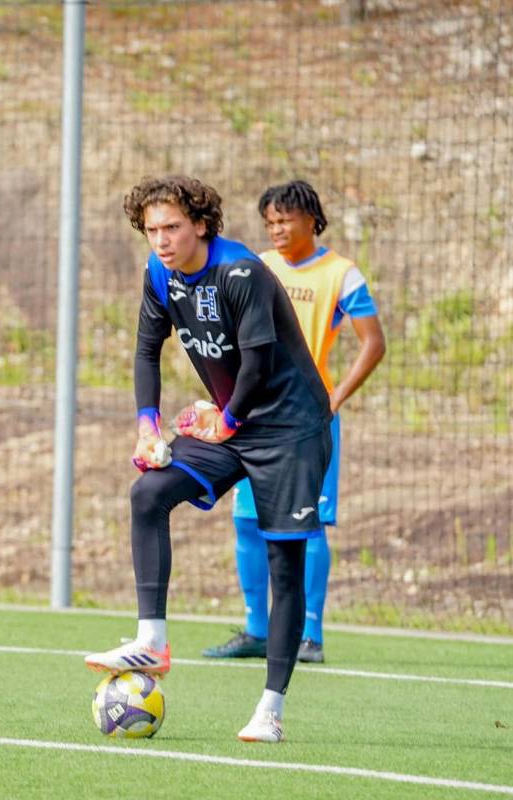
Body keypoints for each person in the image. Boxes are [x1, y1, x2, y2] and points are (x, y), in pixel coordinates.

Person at [83, 175, 334, 742]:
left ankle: (270, 708)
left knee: (284, 563)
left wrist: (227, 419)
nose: (162, 240)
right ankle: (151, 642)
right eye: (152, 231)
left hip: (290, 428)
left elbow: (258, 364)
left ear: (200, 223)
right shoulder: (158, 273)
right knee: (148, 492)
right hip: (231, 424)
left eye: (172, 227)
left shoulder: (239, 270)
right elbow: (148, 348)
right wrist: (147, 425)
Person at [202, 180, 384, 665]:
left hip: (307, 417)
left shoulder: (341, 274)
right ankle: (257, 629)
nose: (277, 229)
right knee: (246, 521)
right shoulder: (256, 267)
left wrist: (336, 396)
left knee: (308, 524)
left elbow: (374, 343)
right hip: (255, 414)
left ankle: (311, 635)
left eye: (286, 220)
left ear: (313, 220)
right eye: (270, 222)